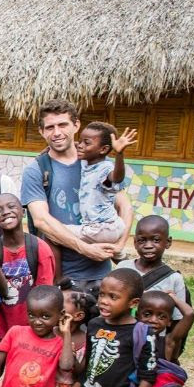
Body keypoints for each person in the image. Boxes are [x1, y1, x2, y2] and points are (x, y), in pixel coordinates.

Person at [21, 99, 133, 285]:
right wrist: (85, 249)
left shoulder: (96, 163)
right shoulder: (36, 170)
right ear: (41, 131)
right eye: (50, 127)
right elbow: (42, 221)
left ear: (76, 125)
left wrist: (119, 245)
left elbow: (125, 206)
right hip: (60, 276)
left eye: (63, 125)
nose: (57, 133)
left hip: (102, 273)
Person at [0, 193, 55, 340]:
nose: (6, 211)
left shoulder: (40, 248)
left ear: (23, 212)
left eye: (11, 206)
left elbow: (45, 295)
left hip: (31, 332)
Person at [116, 215, 189, 326]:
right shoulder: (122, 268)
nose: (148, 246)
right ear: (135, 242)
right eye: (142, 240)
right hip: (122, 337)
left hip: (156, 339)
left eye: (156, 240)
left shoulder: (174, 279)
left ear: (168, 242)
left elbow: (177, 320)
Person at [69, 122, 135, 244]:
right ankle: (120, 256)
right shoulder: (86, 161)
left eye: (86, 143)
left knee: (55, 231)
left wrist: (119, 154)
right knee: (113, 252)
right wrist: (51, 148)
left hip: (100, 229)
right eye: (80, 141)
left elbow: (116, 178)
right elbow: (76, 145)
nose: (80, 145)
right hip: (110, 226)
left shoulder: (104, 169)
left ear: (103, 149)